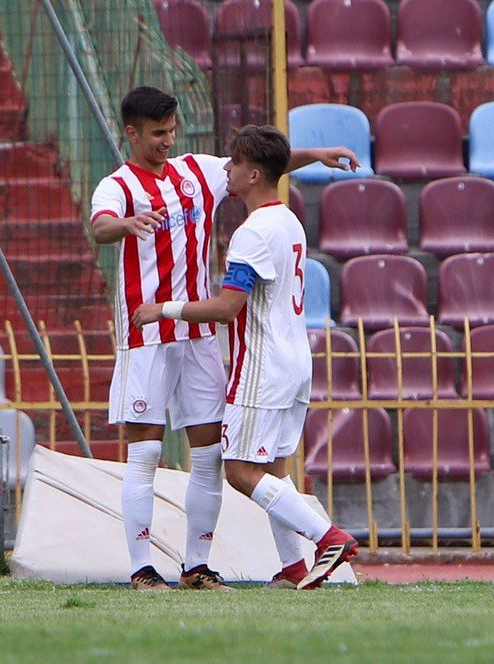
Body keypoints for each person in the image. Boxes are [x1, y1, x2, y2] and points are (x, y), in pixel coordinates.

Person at [90, 86, 358, 590]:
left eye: (172, 131)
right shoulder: (117, 185)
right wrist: (125, 224)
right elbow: (101, 227)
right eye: (157, 134)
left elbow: (260, 163)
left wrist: (315, 155)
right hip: (147, 336)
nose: (168, 141)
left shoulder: (197, 172)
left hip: (199, 336)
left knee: (212, 456)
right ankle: (142, 569)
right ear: (132, 132)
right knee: (144, 453)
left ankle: (198, 565)